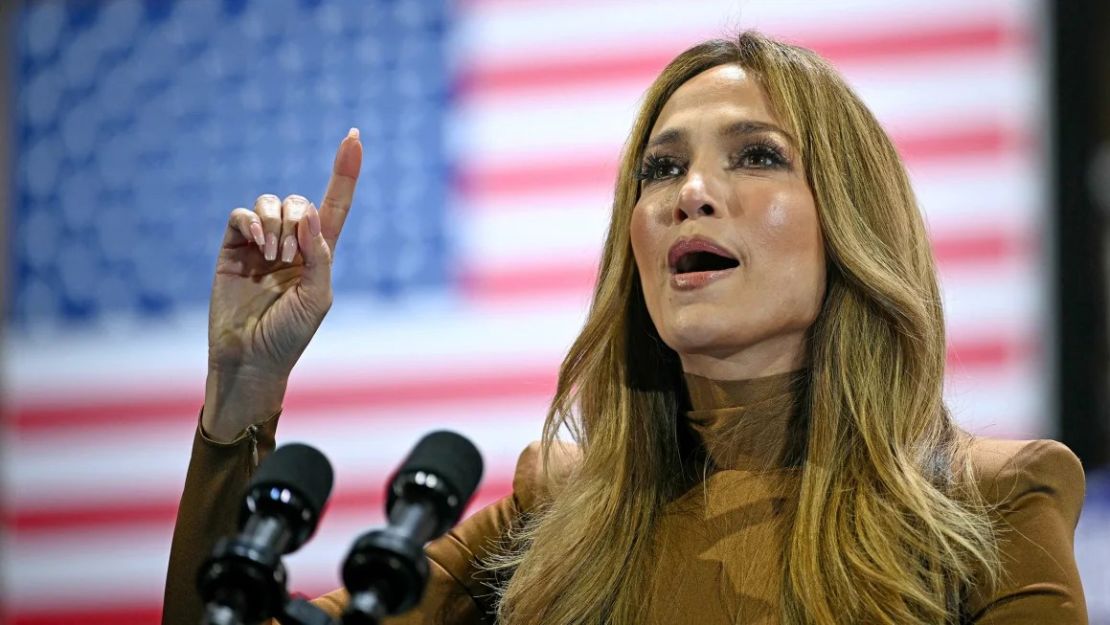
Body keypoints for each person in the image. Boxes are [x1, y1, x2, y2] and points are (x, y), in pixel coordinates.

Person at [163, 31, 1087, 625]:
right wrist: (243, 391)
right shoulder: (558, 518)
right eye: (660, 169)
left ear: (853, 222)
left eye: (757, 156)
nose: (691, 193)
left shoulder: (992, 506)